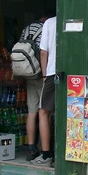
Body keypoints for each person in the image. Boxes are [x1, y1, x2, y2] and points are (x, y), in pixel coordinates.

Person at [20, 15, 49, 161]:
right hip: (41, 74)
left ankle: (31, 148)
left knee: (32, 112)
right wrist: (45, 74)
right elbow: (44, 52)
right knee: (45, 112)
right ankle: (46, 149)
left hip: (28, 74)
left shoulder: (26, 29)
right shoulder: (46, 28)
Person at [31, 13, 56, 166]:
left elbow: (43, 52)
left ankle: (46, 154)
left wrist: (45, 75)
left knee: (44, 112)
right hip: (73, 75)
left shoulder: (49, 23)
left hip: (52, 73)